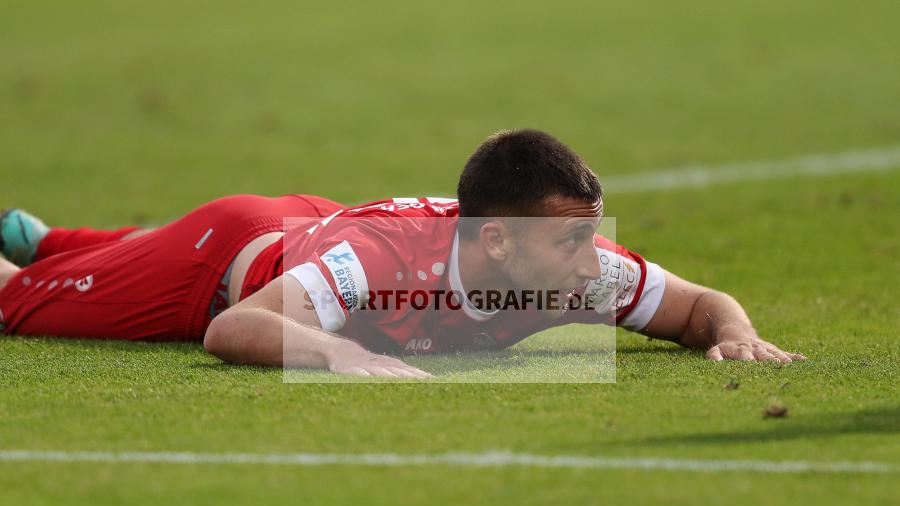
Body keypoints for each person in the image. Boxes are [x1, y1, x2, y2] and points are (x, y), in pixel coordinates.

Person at [0, 129, 805, 378]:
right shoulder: (386, 263)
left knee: (62, 260)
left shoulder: (569, 270)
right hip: (216, 265)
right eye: (572, 239)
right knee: (14, 302)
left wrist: (737, 334)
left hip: (308, 230)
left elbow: (702, 305)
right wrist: (345, 359)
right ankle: (37, 261)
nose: (594, 260)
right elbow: (234, 329)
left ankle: (48, 241)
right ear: (494, 239)